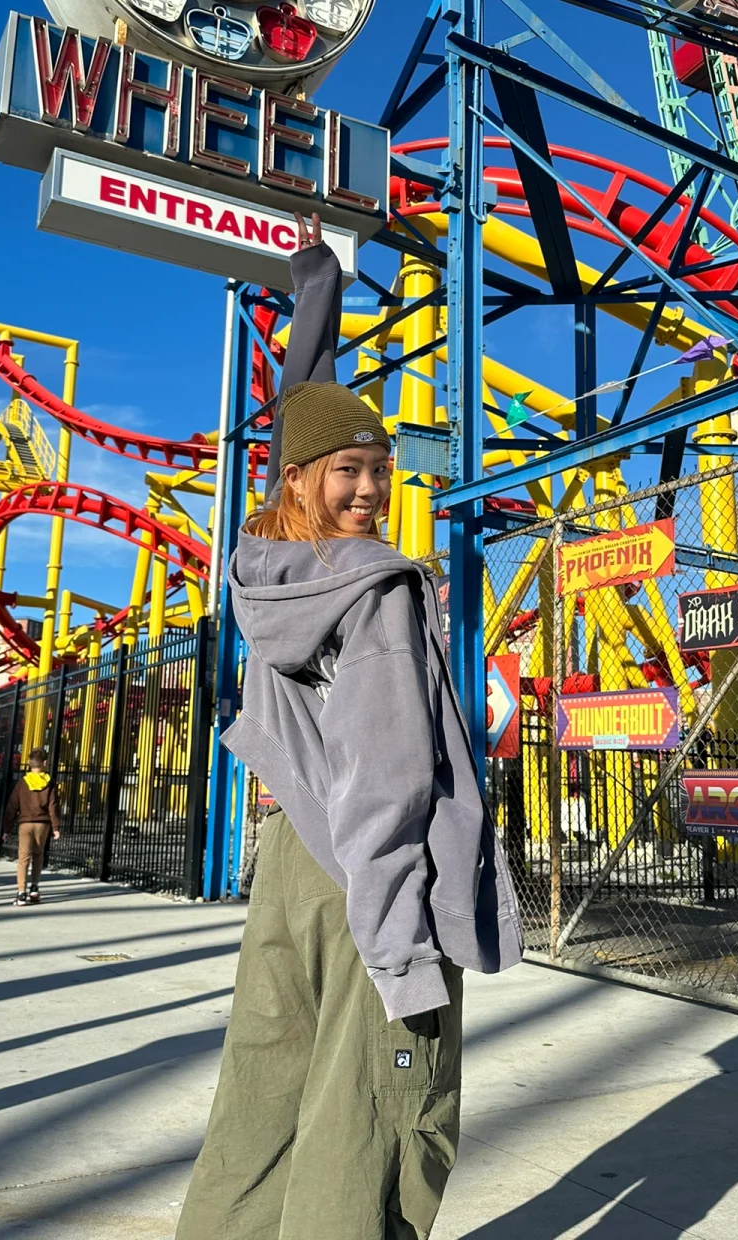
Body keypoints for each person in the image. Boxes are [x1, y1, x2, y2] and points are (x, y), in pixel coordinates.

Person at [176, 219, 523, 1240]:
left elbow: (302, 407)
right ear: (303, 483)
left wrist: (315, 284)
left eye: (376, 467)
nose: (370, 487)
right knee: (378, 1116)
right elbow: (387, 777)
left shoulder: (270, 569)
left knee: (266, 1097)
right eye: (347, 474)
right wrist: (403, 953)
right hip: (371, 876)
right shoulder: (378, 592)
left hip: (292, 859)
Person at [2, 747, 62, 906]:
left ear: (29, 764)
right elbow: (53, 806)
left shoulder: (23, 783)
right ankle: (34, 888)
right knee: (38, 855)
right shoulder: (50, 783)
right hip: (42, 825)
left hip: (25, 823)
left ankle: (21, 892)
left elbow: (12, 807)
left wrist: (7, 828)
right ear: (44, 763)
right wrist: (55, 827)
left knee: (23, 858)